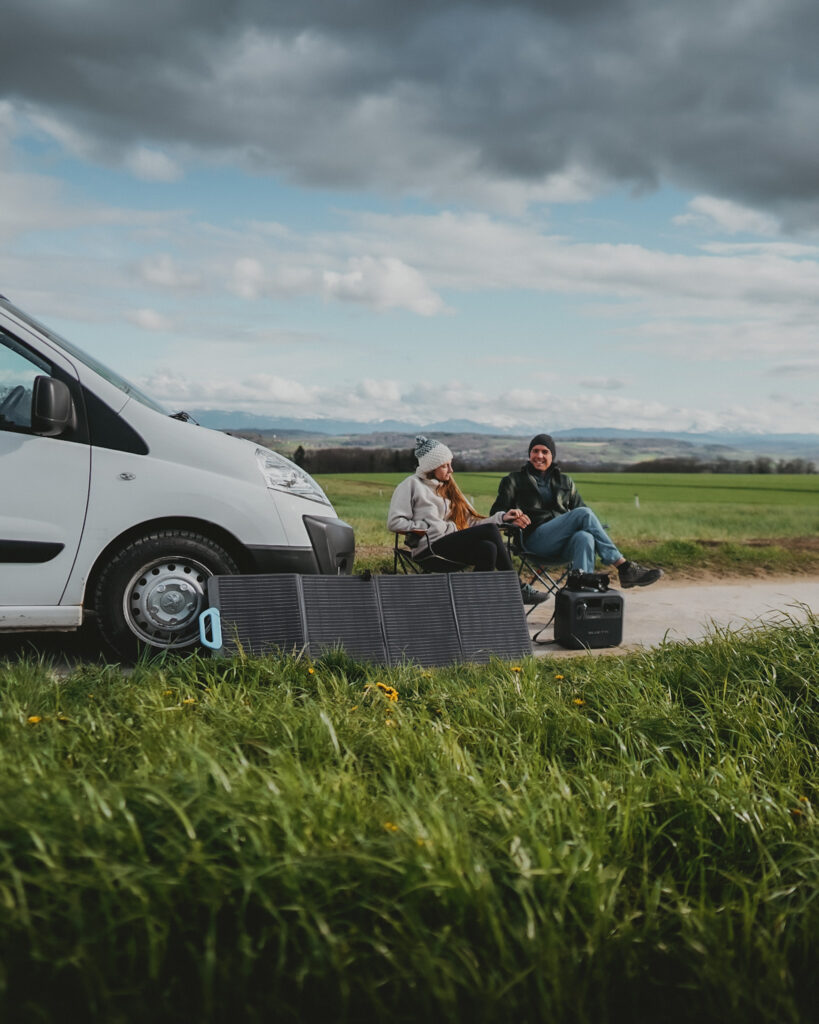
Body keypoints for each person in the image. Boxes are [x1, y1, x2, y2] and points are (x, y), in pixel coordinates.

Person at [387, 435, 548, 604]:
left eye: (451, 464)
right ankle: (516, 588)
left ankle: (470, 603)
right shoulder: (411, 485)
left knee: (488, 548)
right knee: (491, 533)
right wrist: (427, 526)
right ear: (431, 467)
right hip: (429, 551)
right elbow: (395, 522)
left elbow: (472, 522)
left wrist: (502, 517)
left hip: (449, 546)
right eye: (445, 466)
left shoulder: (447, 488)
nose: (451, 470)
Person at [490, 433, 663, 588]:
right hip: (533, 541)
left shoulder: (566, 482)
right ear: (529, 454)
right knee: (583, 514)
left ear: (552, 456)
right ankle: (624, 567)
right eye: (535, 451)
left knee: (585, 537)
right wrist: (510, 517)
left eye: (545, 452)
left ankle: (580, 594)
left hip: (563, 546)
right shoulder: (513, 480)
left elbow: (583, 512)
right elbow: (496, 512)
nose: (539, 456)